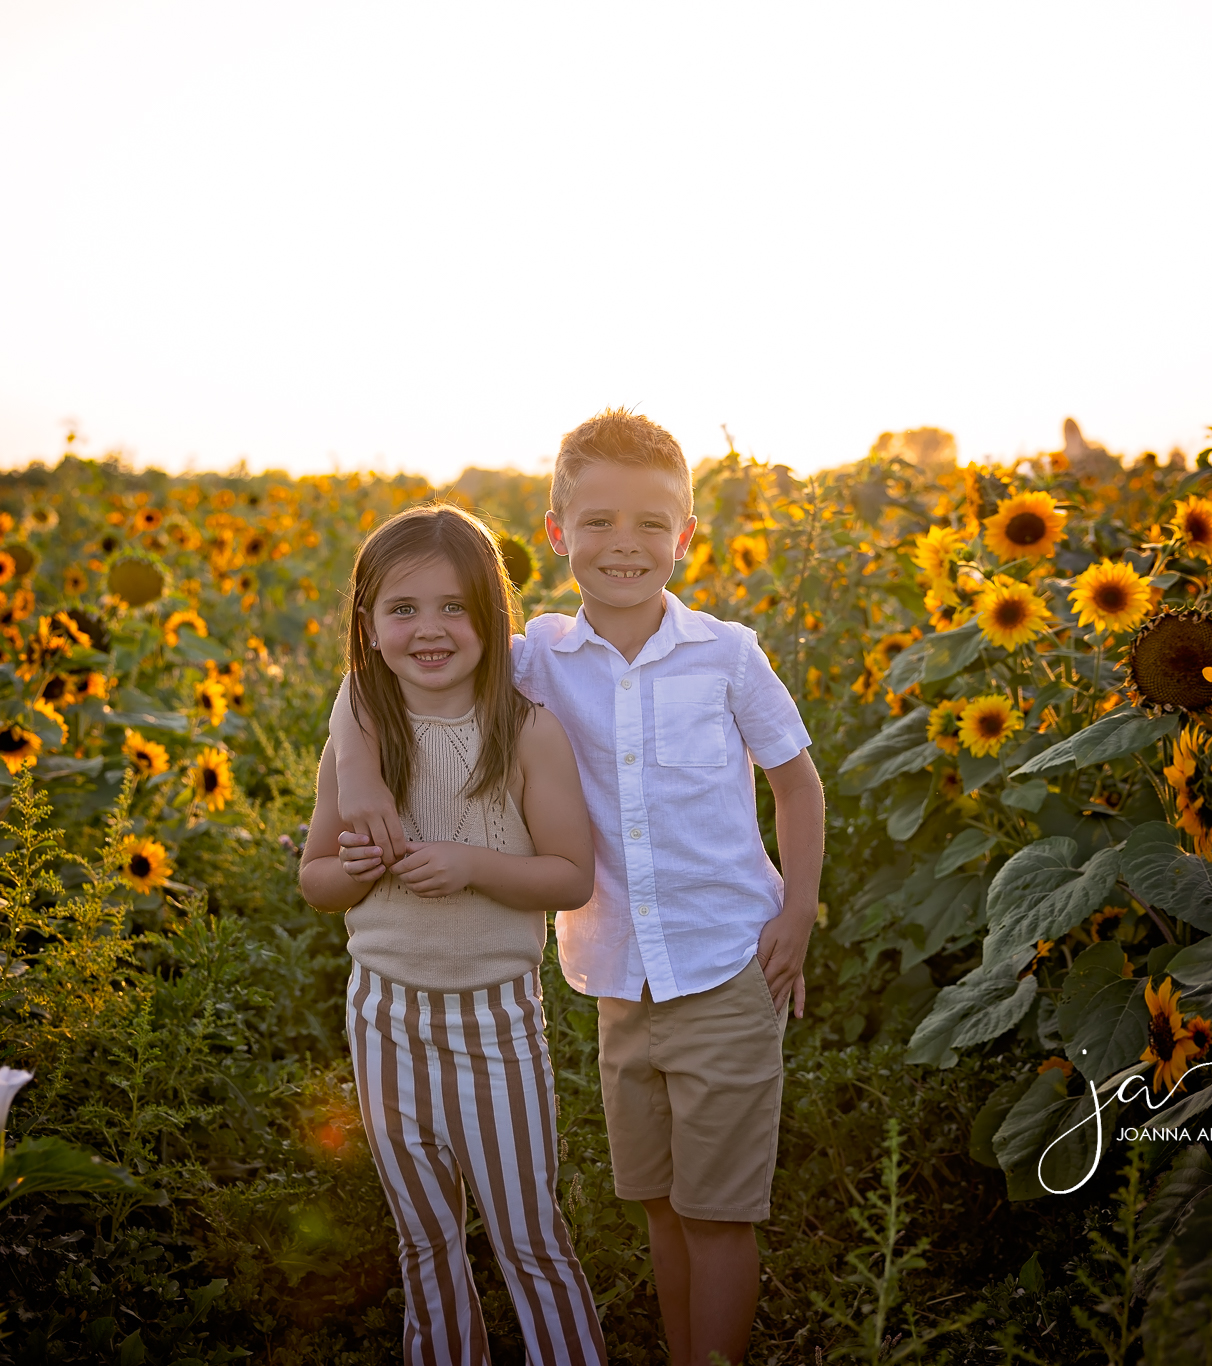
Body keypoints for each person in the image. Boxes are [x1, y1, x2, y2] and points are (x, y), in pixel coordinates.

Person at [330, 410, 826, 1365]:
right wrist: (356, 774)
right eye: (596, 522)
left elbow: (796, 782)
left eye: (651, 523)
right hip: (614, 977)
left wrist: (797, 910)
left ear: (688, 536)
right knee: (660, 1205)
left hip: (729, 964)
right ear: (557, 532)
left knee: (718, 1212)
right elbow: (378, 678)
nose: (624, 545)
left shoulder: (728, 654)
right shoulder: (535, 658)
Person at [299, 504, 607, 1365]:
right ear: (367, 624)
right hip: (384, 1019)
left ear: (494, 619)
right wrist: (359, 869)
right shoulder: (361, 733)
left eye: (453, 608)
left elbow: (571, 877)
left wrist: (473, 863)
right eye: (402, 610)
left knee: (531, 1240)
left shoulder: (524, 733)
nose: (428, 629)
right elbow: (316, 879)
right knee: (425, 1243)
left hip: (496, 1025)